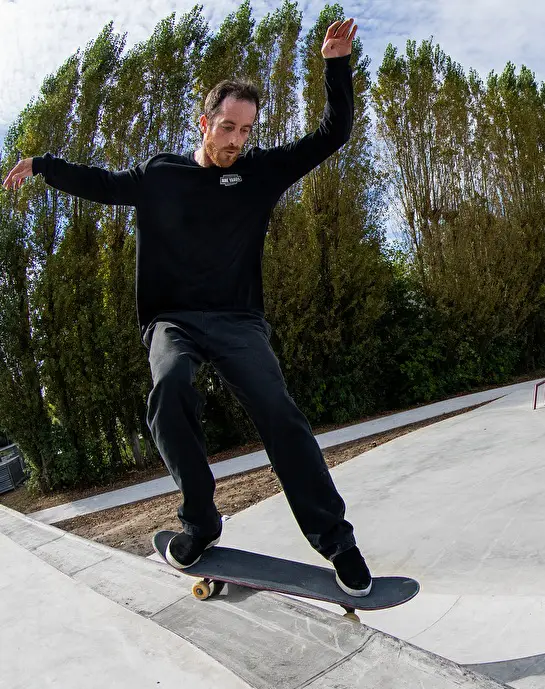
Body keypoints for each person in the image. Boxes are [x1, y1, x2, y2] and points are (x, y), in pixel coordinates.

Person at [2, 19, 373, 597]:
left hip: (237, 321)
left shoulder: (259, 173)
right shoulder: (160, 176)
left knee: (279, 412)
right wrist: (44, 166)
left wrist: (335, 64)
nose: (235, 142)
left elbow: (332, 134)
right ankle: (200, 523)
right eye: (227, 128)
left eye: (246, 132)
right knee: (170, 387)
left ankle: (338, 542)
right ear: (203, 123)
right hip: (171, 320)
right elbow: (101, 183)